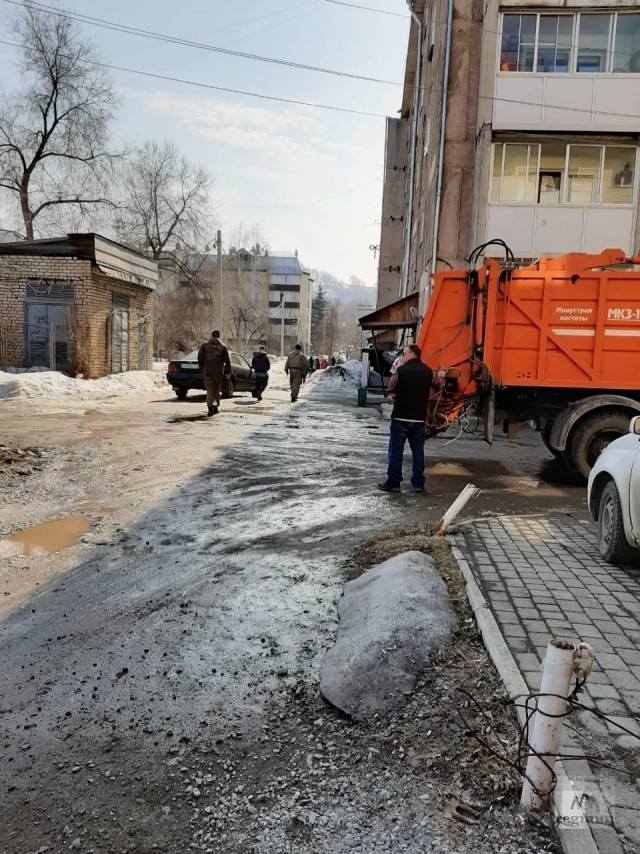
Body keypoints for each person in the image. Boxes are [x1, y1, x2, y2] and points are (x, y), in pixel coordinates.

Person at [378, 343, 436, 493]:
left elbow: (391, 387)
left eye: (404, 354)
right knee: (418, 451)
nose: (402, 357)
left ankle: (394, 483)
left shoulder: (401, 371)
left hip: (400, 417)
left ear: (411, 354)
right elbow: (438, 384)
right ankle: (418, 483)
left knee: (396, 451)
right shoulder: (429, 372)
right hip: (419, 419)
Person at [197, 329, 231, 417]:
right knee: (216, 389)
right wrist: (228, 372)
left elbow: (200, 358)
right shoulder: (223, 347)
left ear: (211, 336)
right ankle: (215, 406)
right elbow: (227, 361)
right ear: (219, 336)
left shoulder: (204, 345)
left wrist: (202, 368)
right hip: (218, 371)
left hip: (207, 370)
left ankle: (210, 406)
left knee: (210, 389)